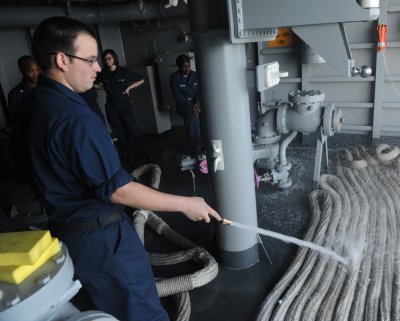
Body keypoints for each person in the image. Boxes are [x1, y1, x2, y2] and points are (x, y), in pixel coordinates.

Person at [14, 16, 221, 321]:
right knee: (141, 311)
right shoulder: (75, 118)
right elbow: (118, 189)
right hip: (103, 240)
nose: (97, 68)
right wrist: (186, 203)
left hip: (68, 235)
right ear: (61, 59)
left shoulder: (32, 105)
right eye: (90, 59)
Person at [96, 49, 150, 164]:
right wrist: (104, 87)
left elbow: (141, 79)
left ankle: (146, 155)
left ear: (114, 58)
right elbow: (94, 83)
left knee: (133, 130)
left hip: (124, 105)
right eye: (105, 59)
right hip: (111, 107)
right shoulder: (103, 73)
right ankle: (130, 157)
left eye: (109, 58)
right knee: (120, 133)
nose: (107, 61)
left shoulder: (124, 72)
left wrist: (129, 88)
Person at [170, 54, 204, 159]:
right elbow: (178, 97)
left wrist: (197, 103)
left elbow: (199, 91)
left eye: (188, 66)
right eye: (184, 66)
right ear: (179, 67)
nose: (187, 68)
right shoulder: (174, 78)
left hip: (196, 103)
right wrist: (193, 106)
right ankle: (195, 148)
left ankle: (204, 145)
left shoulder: (195, 75)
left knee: (207, 115)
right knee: (192, 117)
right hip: (183, 105)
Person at [7, 55, 40, 124]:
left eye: (37, 70)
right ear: (21, 71)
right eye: (30, 71)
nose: (36, 73)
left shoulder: (47, 86)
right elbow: (17, 120)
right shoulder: (15, 94)